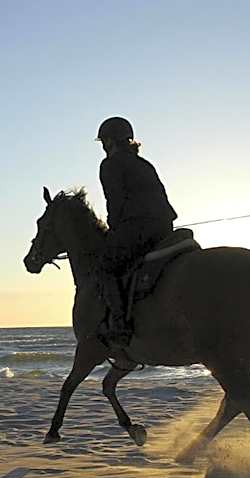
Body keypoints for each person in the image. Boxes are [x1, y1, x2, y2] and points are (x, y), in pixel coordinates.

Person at [95, 116, 177, 346]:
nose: (103, 146)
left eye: (104, 141)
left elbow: (116, 202)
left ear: (110, 141)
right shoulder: (144, 163)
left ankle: (120, 325)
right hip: (164, 227)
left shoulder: (110, 164)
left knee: (105, 268)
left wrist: (113, 229)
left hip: (136, 228)